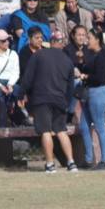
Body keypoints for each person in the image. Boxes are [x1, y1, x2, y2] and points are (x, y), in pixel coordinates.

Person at [20, 30, 79, 173]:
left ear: (50, 42)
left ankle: (50, 164)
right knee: (61, 131)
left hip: (42, 99)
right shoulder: (68, 61)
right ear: (63, 43)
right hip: (60, 100)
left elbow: (27, 79)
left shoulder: (38, 55)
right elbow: (71, 87)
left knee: (45, 131)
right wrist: (66, 102)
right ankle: (71, 163)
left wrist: (22, 94)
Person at [78, 28, 105, 170]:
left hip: (98, 92)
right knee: (84, 126)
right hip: (90, 92)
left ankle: (104, 160)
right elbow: (87, 69)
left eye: (89, 38)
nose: (87, 40)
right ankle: (89, 159)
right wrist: (81, 64)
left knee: (99, 127)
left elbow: (99, 77)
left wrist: (85, 76)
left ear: (97, 40)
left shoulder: (103, 55)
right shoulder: (92, 54)